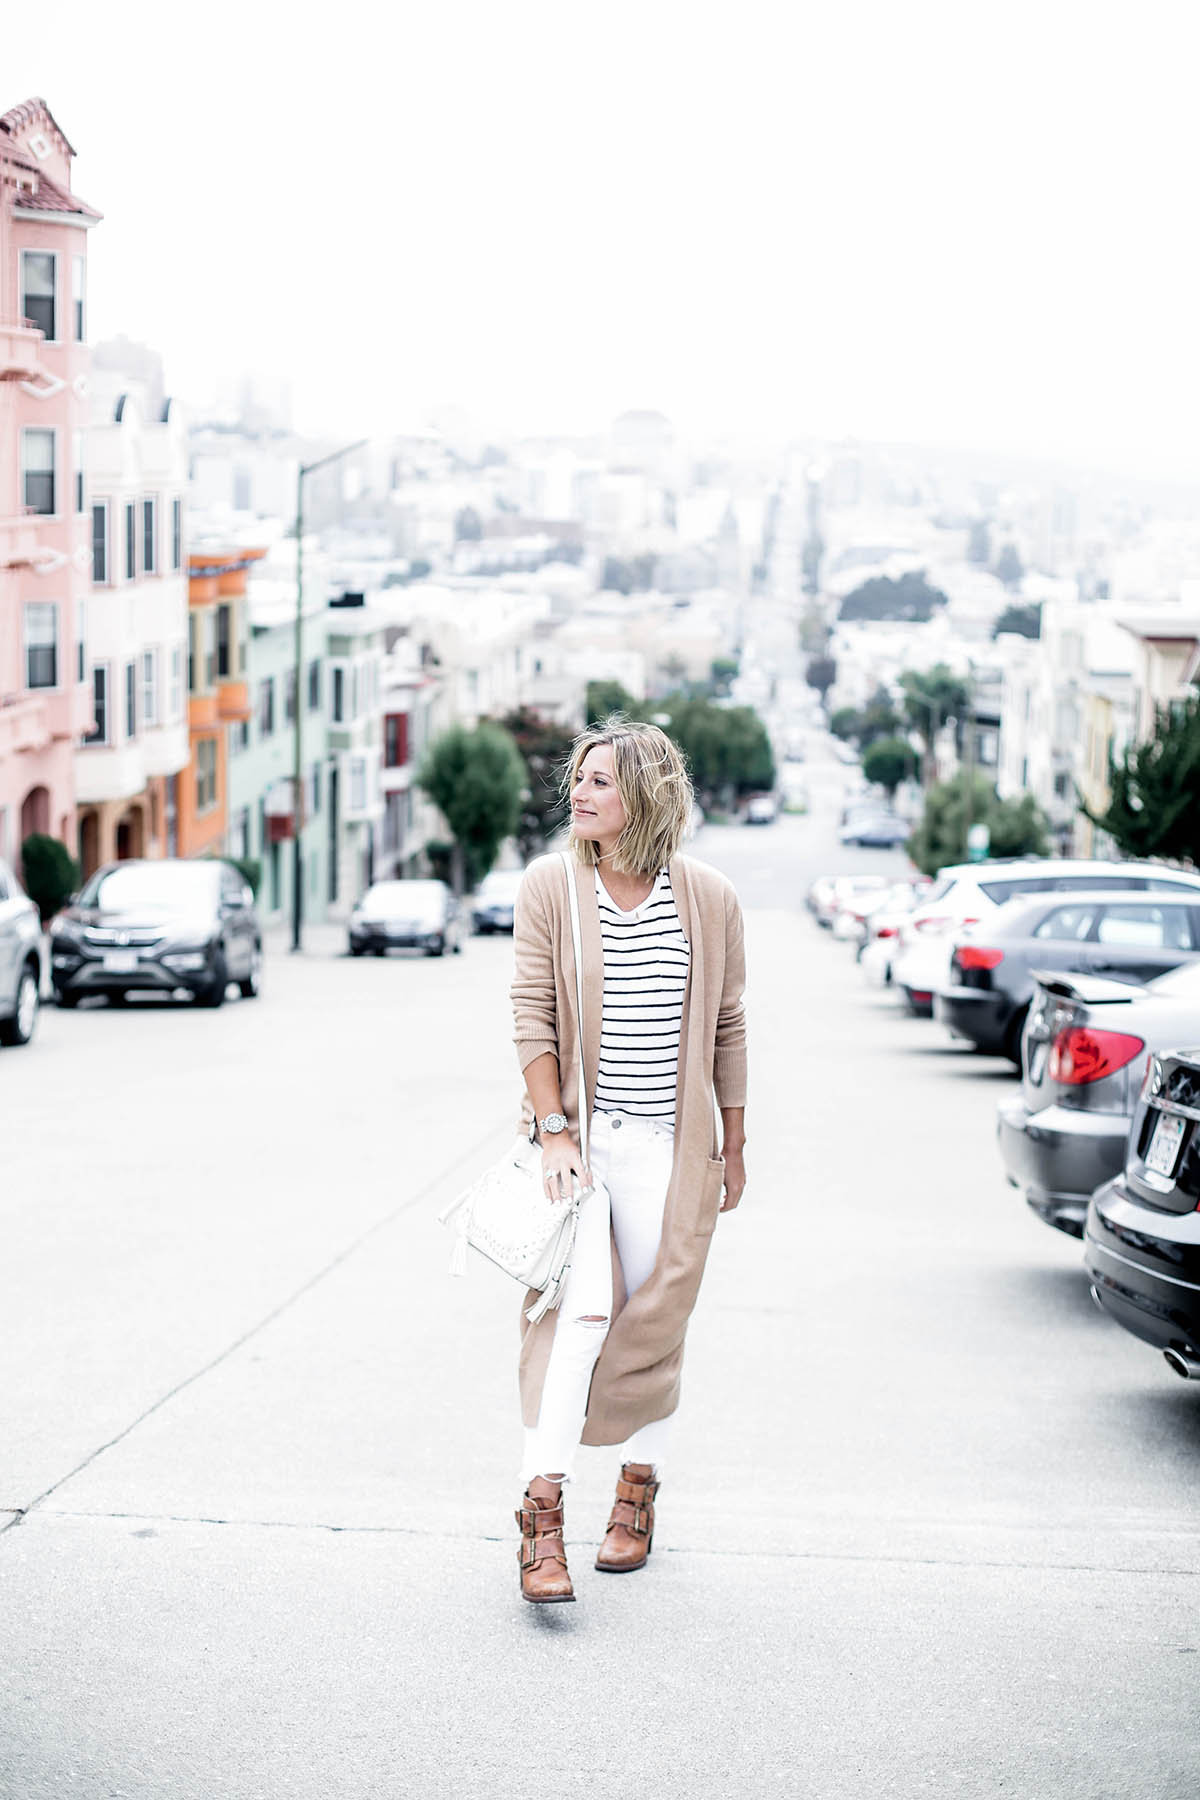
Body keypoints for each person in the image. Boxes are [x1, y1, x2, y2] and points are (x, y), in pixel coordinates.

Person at [508, 717, 747, 1604]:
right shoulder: (552, 887)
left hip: (677, 1151)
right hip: (588, 1153)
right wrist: (555, 1131)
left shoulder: (710, 897)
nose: (579, 790)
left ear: (644, 793)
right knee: (577, 1322)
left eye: (601, 780)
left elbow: (728, 1024)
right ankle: (540, 1518)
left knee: (656, 1328)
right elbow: (531, 1011)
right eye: (577, 776)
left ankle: (637, 1496)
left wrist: (736, 1139)